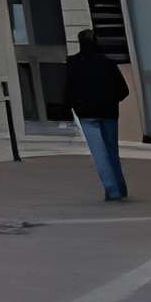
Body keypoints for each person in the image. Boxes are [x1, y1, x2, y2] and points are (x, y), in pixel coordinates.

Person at [62, 28, 132, 201]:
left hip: (86, 113)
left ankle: (112, 189)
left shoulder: (73, 63)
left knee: (99, 153)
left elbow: (68, 90)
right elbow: (123, 90)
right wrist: (111, 99)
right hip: (108, 112)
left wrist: (74, 106)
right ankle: (120, 187)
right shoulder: (107, 63)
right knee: (112, 151)